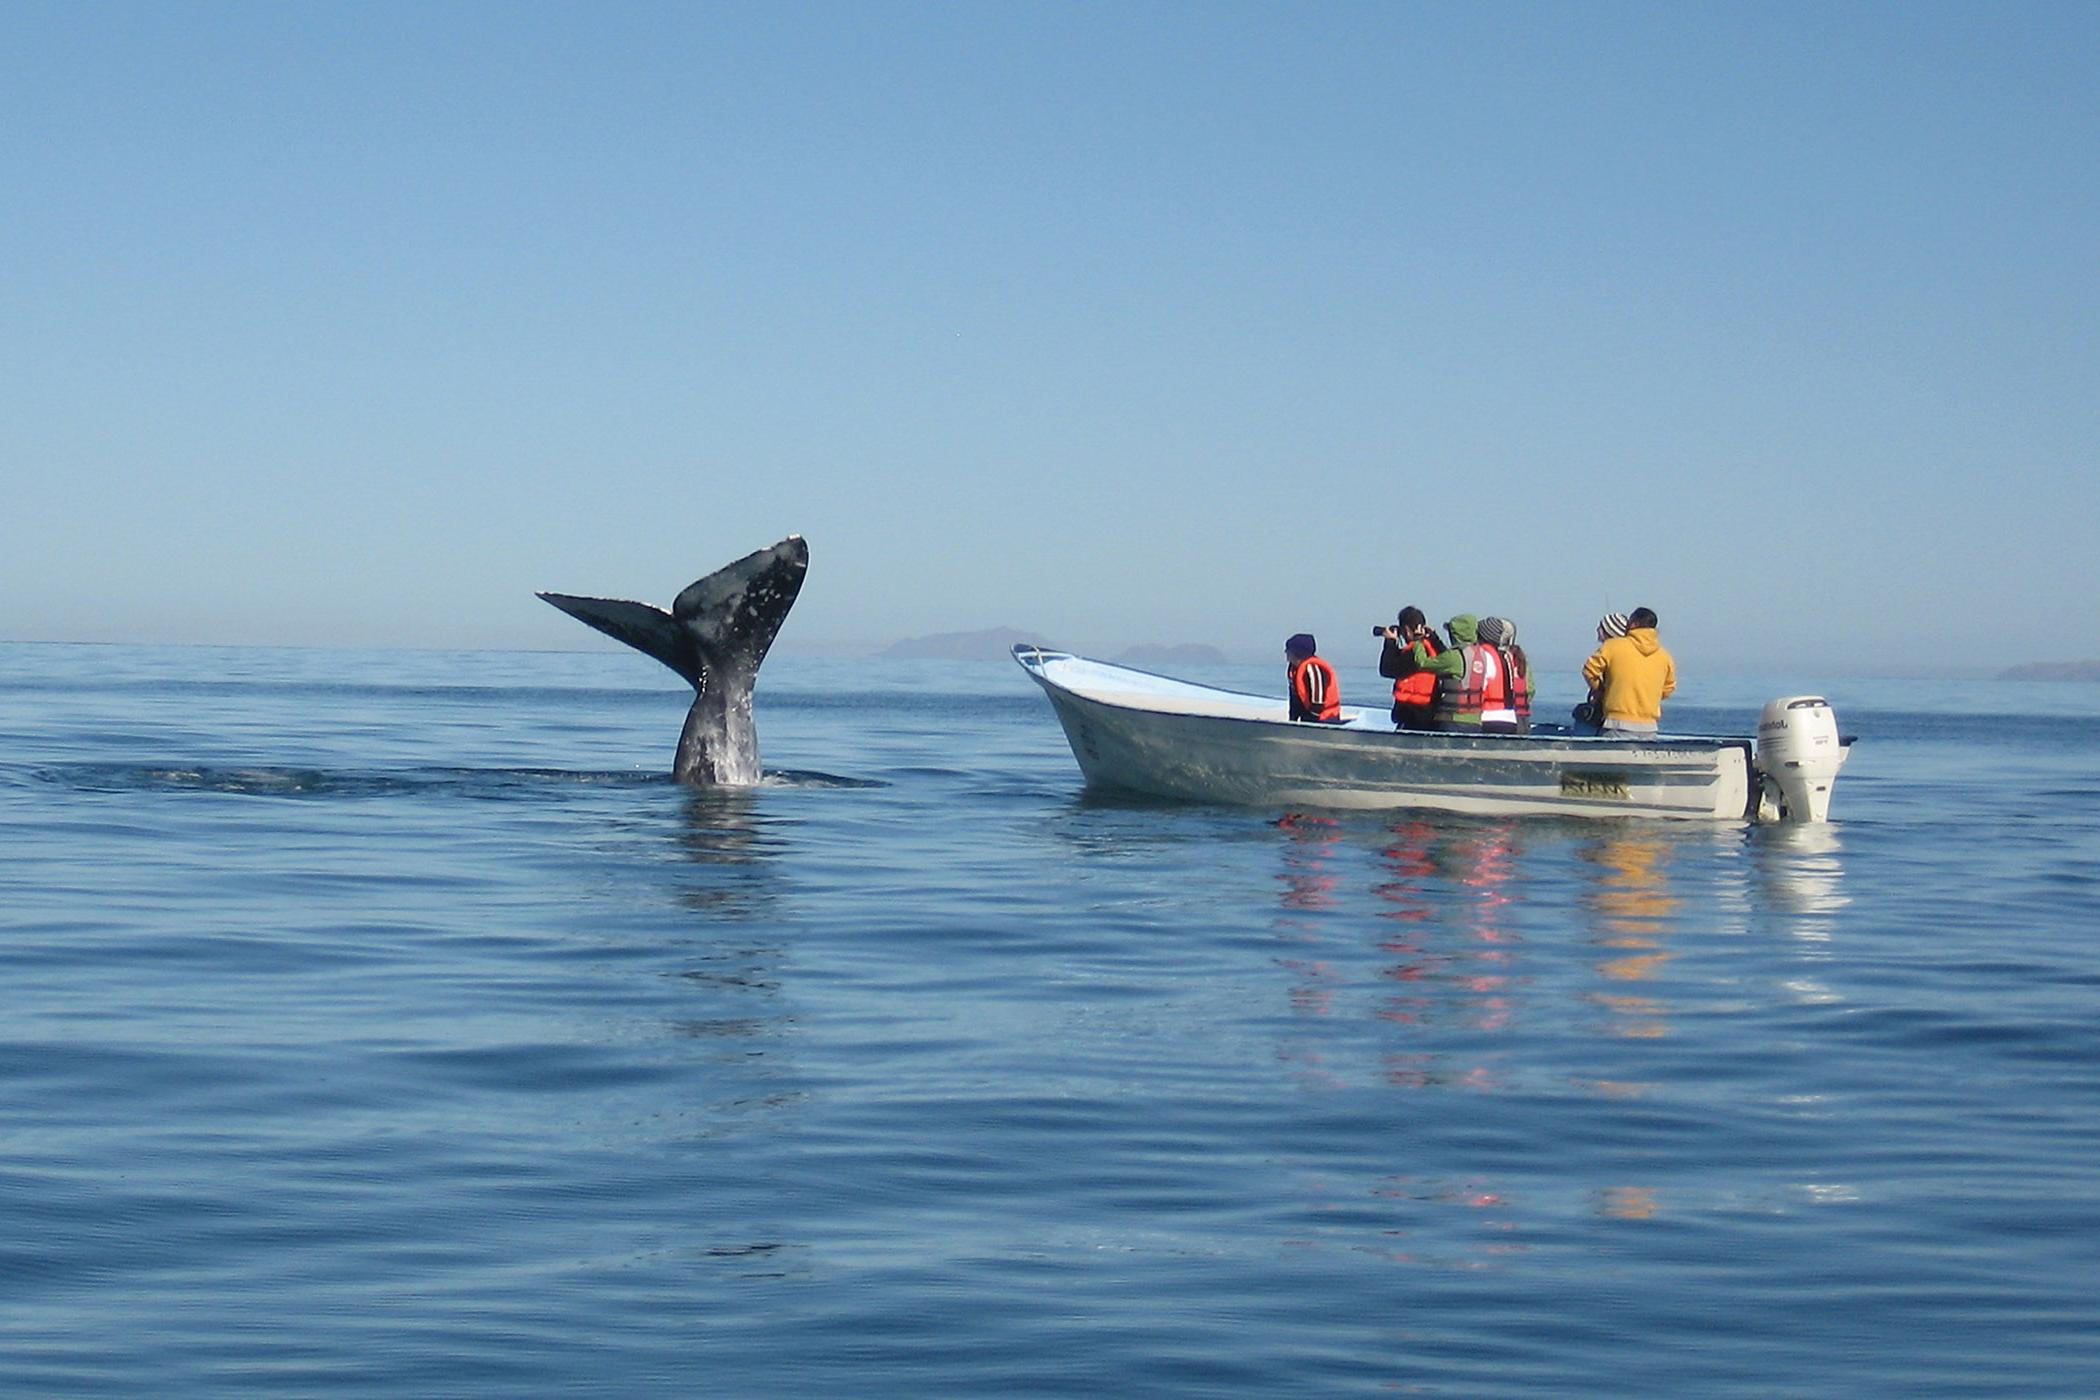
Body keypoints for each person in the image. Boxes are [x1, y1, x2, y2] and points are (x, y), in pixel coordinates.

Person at [1420, 614, 1526, 733]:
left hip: (1487, 717)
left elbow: (1454, 661)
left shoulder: (1482, 655)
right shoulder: (1509, 657)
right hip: (1511, 717)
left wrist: (1419, 641)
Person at [1580, 606, 1676, 735]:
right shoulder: (1665, 656)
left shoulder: (1613, 646)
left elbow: (1589, 670)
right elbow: (1668, 688)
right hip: (1649, 726)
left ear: (1634, 624)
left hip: (1617, 723)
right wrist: (1647, 697)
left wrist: (1602, 690)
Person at [1376, 606, 1443, 730]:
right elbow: (1444, 652)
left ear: (1406, 630)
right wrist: (1433, 637)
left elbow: (1387, 669)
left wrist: (1390, 642)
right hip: (1431, 713)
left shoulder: (1414, 652)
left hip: (1412, 715)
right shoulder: (1434, 649)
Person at [1474, 616, 1533, 734]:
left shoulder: (1486, 656)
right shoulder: (1515, 659)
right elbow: (1530, 689)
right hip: (1514, 716)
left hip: (1490, 716)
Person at [1572, 612, 1628, 730]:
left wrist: (1599, 690)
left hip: (1609, 712)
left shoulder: (1609, 651)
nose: (1597, 630)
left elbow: (1589, 671)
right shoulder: (1625, 653)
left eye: (1601, 627)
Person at [1285, 633, 1341, 722]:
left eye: (1288, 650)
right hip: (1307, 715)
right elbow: (1295, 698)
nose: (1285, 652)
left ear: (1297, 652)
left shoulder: (1313, 667)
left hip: (1325, 718)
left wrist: (1311, 722)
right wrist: (1293, 720)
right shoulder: (1293, 669)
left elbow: (1318, 701)